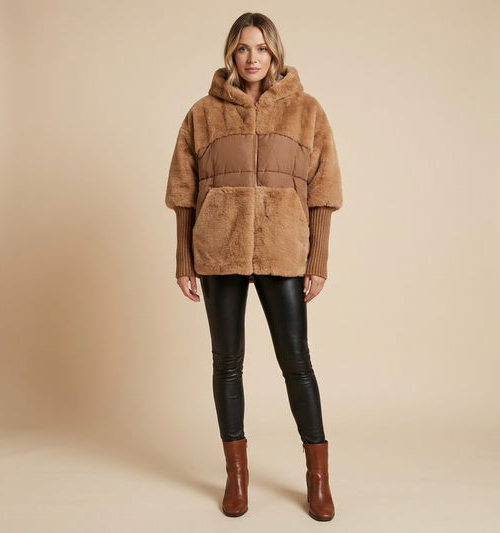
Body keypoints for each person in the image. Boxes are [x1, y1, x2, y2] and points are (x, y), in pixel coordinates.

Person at [165, 12, 342, 521]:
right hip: (217, 249)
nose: (252, 58)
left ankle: (318, 478)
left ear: (275, 53)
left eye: (261, 48)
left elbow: (324, 189)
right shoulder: (202, 113)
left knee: (297, 362)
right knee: (227, 362)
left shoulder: (307, 111)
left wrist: (317, 259)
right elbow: (183, 190)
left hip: (283, 249)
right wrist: (184, 258)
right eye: (243, 48)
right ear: (231, 53)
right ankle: (236, 477)